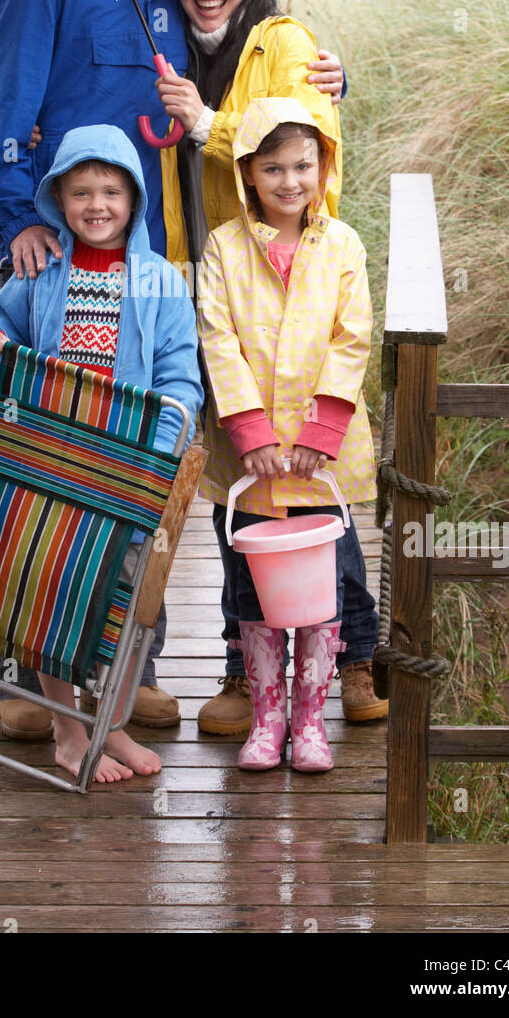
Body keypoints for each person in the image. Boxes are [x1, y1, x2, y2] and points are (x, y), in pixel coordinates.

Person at [0, 0, 343, 734]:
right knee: (40, 471)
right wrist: (16, 221)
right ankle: (26, 673)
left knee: (136, 473)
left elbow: (239, 47)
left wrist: (328, 80)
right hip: (53, 266)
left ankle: (132, 667)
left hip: (153, 273)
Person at [150, 0, 385, 733]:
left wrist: (207, 126)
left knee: (328, 515)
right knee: (242, 510)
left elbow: (302, 133)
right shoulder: (174, 44)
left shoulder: (279, 43)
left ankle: (353, 661)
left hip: (295, 291)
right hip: (228, 288)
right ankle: (243, 674)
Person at [0, 124, 202, 782]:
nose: (96, 205)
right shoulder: (41, 271)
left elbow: (180, 376)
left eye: (110, 191)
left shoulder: (159, 281)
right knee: (51, 595)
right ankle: (70, 730)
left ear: (133, 198)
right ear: (57, 200)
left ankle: (113, 724)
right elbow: (0, 324)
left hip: (125, 467)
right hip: (46, 461)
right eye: (79, 192)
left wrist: (159, 451)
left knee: (128, 600)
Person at [196, 98, 375, 771]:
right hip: (249, 464)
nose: (290, 182)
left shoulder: (343, 245)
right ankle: (266, 722)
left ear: (324, 166)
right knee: (251, 587)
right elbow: (219, 339)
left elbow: (351, 338)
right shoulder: (223, 248)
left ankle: (311, 723)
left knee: (319, 588)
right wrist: (252, 432)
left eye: (304, 166)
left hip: (320, 459)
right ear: (247, 173)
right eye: (273, 169)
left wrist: (318, 429)